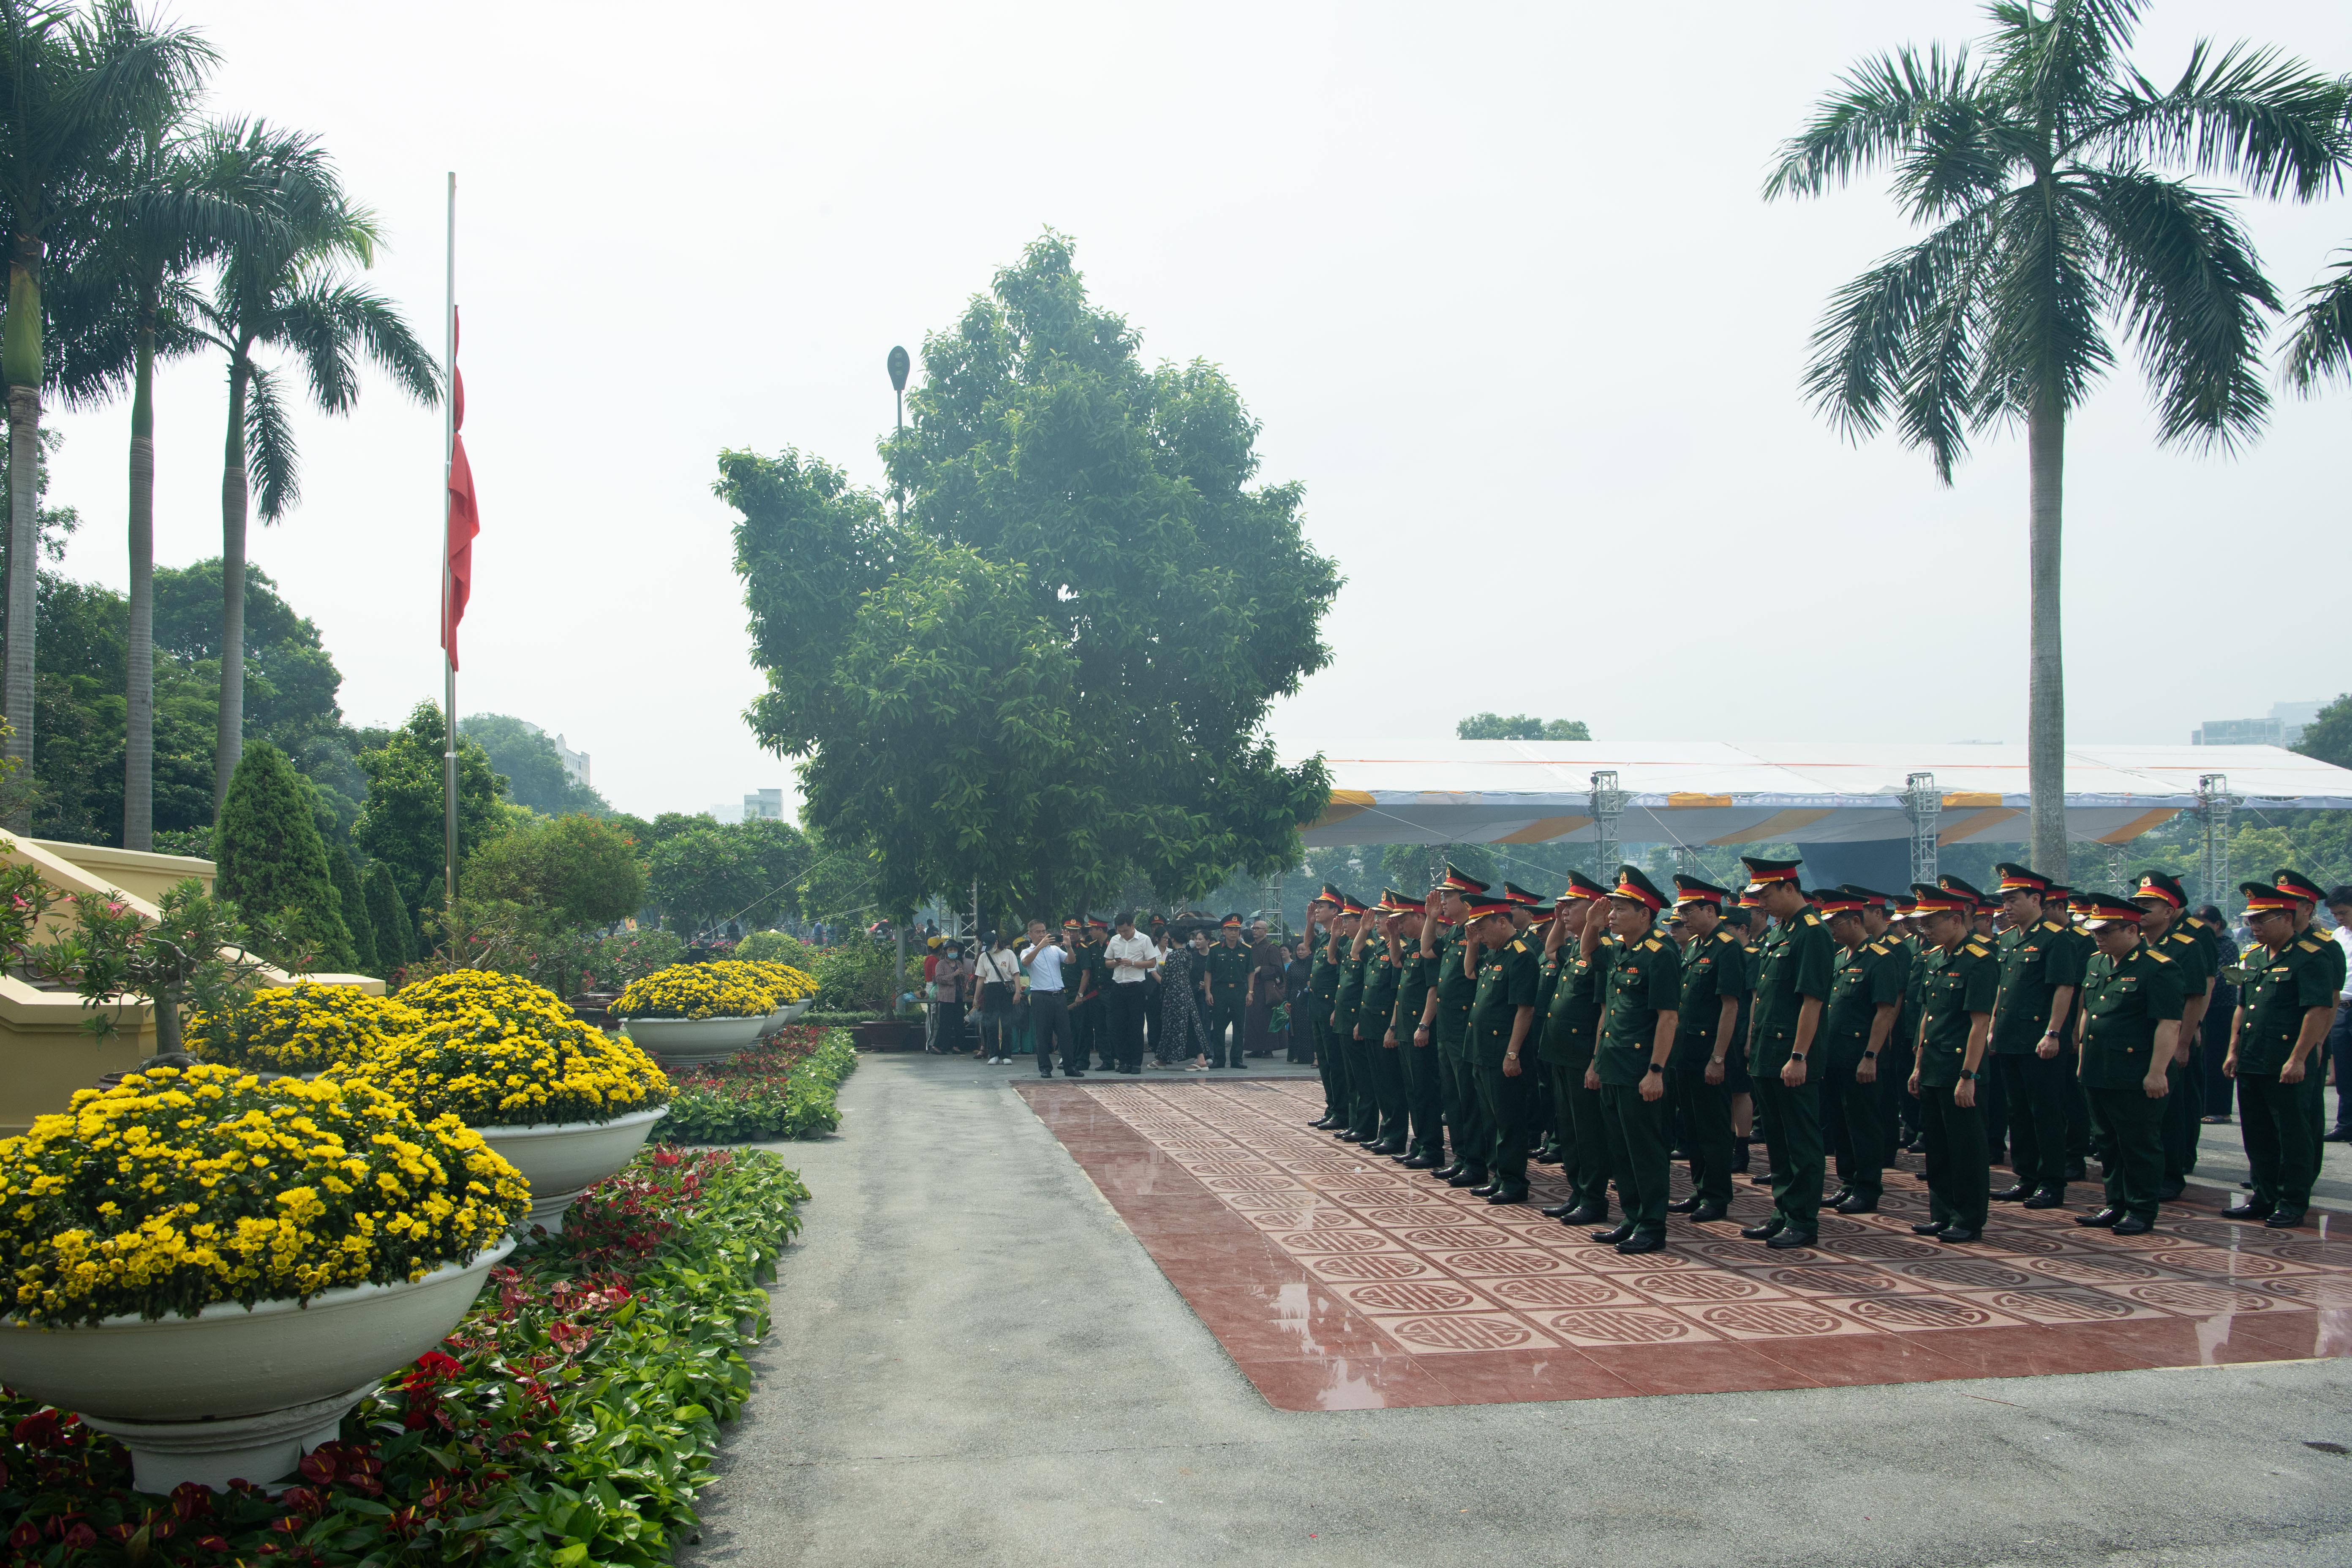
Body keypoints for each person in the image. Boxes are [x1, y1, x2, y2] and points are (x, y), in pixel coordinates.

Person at [2069, 891, 2185, 1235]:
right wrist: (2081, 1058)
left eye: (2106, 931)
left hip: (2136, 1073)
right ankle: (2115, 1202)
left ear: (2132, 930)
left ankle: (2141, 1208)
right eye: (2095, 931)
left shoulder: (2159, 968)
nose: (2098, 937)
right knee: (2107, 1141)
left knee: (2139, 1143)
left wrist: (2157, 1071)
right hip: (2099, 1068)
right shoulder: (2096, 963)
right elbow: (2089, 1013)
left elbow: (2169, 1024)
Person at [2223, 881, 2336, 1228]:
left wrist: (2299, 1057)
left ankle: (2292, 1201)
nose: (2254, 928)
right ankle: (2264, 1195)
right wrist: (2232, 1051)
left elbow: (2317, 1010)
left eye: (2262, 921)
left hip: (2286, 1061)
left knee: (2293, 1133)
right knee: (2257, 1134)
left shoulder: (2311, 956)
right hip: (2254, 1058)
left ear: (2287, 919)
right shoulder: (2254, 957)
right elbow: (2242, 1007)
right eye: (2251, 921)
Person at [1582, 866, 1681, 1254]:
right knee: (1620, 1148)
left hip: (1641, 1069)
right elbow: (1589, 955)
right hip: (1613, 1064)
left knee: (1646, 1149)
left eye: (1621, 909)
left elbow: (1667, 1018)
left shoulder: (1661, 955)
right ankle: (1631, 1216)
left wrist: (1656, 1070)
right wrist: (1596, 1062)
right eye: (1612, 909)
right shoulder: (1620, 951)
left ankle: (1652, 1225)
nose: (1612, 915)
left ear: (1645, 914)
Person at [1741, 856, 1834, 1249]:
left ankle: (1802, 1219)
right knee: (1777, 1140)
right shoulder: (1781, 933)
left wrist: (1799, 1056)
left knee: (1801, 1142)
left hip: (1790, 1057)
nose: (1761, 902)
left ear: (1790, 889)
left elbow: (1812, 1001)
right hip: (1766, 1053)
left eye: (1766, 894)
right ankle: (1782, 1211)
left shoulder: (1812, 933)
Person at [1908, 879, 1998, 1243]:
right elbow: (1927, 1017)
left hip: (1960, 1069)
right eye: (1923, 925)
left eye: (1932, 923)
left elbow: (1980, 1023)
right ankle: (1942, 1212)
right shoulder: (1934, 959)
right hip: (1933, 1066)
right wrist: (1917, 1066)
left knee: (1966, 1149)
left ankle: (1968, 1217)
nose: (1925, 931)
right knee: (1939, 1148)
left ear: (1957, 919)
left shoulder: (1980, 960)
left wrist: (1969, 1075)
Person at [2131, 871, 2217, 1198]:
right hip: (2139, 1040)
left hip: (2177, 1033)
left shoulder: (2190, 942)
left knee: (2175, 1107)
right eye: (2138, 904)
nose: (2141, 910)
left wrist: (2186, 1038)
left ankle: (2174, 1169)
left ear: (2170, 909)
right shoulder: (2134, 945)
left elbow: (2202, 990)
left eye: (2148, 904)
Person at [1664, 876, 1744, 1225]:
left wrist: (1719, 1057)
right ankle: (1700, 1188)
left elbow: (1730, 1006)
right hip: (1687, 1052)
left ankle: (1717, 1195)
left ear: (1710, 910)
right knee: (1693, 1128)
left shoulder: (1727, 948)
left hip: (1710, 1054)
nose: (1683, 919)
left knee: (1713, 1128)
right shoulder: (1696, 946)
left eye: (1689, 911)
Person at [1819, 889, 1903, 1215]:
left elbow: (1885, 1012)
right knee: (1840, 1123)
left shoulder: (1881, 959)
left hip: (1861, 1057)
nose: (1832, 930)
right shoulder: (1840, 958)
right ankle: (1848, 1181)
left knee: (1863, 1124)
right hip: (1835, 1055)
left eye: (1837, 923)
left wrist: (1871, 1055)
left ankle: (1867, 1187)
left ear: (1856, 921)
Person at [1538, 873, 1614, 1225]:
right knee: (1568, 1129)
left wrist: (1596, 1061)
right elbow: (1550, 950)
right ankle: (1577, 1192)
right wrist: (1558, 922)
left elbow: (1603, 1012)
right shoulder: (1572, 949)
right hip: (1561, 1053)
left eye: (1573, 906)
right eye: (1563, 906)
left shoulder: (1604, 952)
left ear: (1598, 909)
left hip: (1584, 1054)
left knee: (1588, 1132)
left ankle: (1594, 1197)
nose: (1565, 911)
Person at [1464, 893, 1543, 1205]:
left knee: (1509, 1120)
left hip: (1503, 1052)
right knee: (1491, 1118)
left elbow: (1525, 1010)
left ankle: (1513, 1181)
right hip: (1482, 1049)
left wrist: (1512, 1053)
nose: (1480, 937)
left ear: (1502, 922)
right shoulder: (1495, 954)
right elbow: (1470, 973)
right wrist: (1473, 943)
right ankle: (1498, 1175)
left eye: (1483, 930)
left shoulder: (1521, 955)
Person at [1425, 867, 1491, 1188]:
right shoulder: (1453, 932)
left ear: (1466, 900)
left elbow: (1472, 976)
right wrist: (1430, 917)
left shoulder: (1478, 930)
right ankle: (1462, 1156)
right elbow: (1427, 951)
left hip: (1465, 1026)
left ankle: (1476, 1161)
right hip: (1447, 1026)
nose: (1443, 901)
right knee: (1452, 1096)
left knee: (1468, 1098)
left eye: (1448, 896)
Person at [1018, 920, 1079, 1079]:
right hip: (1041, 996)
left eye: (1044, 931)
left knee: (1065, 1033)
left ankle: (1069, 1067)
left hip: (1059, 995)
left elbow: (1071, 961)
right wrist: (1040, 946)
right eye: (1038, 932)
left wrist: (1068, 946)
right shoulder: (1027, 951)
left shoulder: (1055, 950)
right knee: (1043, 1034)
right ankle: (1045, 1068)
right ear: (1030, 934)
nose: (1042, 934)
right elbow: (1025, 963)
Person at [2198, 904, 2240, 1124]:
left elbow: (2226, 980)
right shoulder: (2200, 945)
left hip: (2222, 1009)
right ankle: (2204, 1106)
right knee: (2203, 1060)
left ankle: (2220, 1109)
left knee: (2218, 1060)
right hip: (2203, 1009)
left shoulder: (2228, 946)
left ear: (2217, 925)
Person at [1103, 911, 1157, 1074]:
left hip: (1136, 987)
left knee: (1136, 1026)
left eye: (1125, 931)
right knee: (1118, 1026)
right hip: (1118, 986)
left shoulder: (1144, 939)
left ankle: (1135, 1063)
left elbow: (1152, 962)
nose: (1122, 934)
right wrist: (1115, 962)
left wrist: (1133, 963)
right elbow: (1107, 963)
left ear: (1132, 926)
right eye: (1120, 931)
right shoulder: (1114, 940)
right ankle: (1123, 1061)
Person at [1158, 923, 1215, 1070]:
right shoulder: (1187, 954)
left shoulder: (1173, 956)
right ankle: (1162, 1059)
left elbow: (1167, 979)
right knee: (1184, 1026)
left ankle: (1200, 1059)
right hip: (1188, 995)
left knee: (1181, 1026)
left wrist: (1163, 994)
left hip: (1175, 997)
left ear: (1172, 939)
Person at [1203, 914, 1254, 1069]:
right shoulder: (1215, 949)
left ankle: (1237, 1059)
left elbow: (1250, 972)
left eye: (1236, 930)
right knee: (1219, 1026)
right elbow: (1208, 972)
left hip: (1239, 990)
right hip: (1219, 991)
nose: (1234, 933)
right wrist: (1208, 992)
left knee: (1239, 1026)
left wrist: (1250, 992)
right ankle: (1219, 1059)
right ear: (1223, 931)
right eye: (1230, 929)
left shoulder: (1246, 950)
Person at [2327, 886, 2352, 1144]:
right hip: (2342, 1009)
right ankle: (2346, 1125)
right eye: (2335, 914)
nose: (2339, 918)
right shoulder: (2337, 935)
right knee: (2344, 1072)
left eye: (2343, 912)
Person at [974, 934, 1021, 1064]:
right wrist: (976, 997)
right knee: (991, 1023)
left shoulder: (1009, 954)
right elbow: (980, 979)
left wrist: (1018, 992)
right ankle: (993, 1054)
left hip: (1006, 990)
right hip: (990, 990)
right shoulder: (984, 956)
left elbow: (1016, 974)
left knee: (1007, 1023)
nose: (989, 949)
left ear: (996, 942)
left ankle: (1007, 1055)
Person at [929, 940, 970, 1055]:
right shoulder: (941, 964)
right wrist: (954, 975)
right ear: (946, 952)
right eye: (951, 950)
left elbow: (964, 978)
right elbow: (939, 979)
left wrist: (964, 977)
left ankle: (957, 1046)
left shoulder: (959, 963)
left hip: (959, 996)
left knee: (959, 1023)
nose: (953, 952)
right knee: (945, 1024)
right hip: (947, 998)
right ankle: (938, 1046)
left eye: (955, 950)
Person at [1285, 932, 1315, 1063]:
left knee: (1307, 1029)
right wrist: (1286, 1001)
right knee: (1295, 1029)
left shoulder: (1313, 964)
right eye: (1298, 950)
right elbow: (1288, 985)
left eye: (1303, 950)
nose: (1300, 952)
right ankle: (1296, 1055)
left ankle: (1309, 1057)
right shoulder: (1293, 966)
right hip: (1295, 1000)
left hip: (1308, 999)